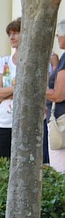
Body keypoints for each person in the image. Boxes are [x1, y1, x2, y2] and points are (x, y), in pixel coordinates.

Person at [0, 18, 21, 160]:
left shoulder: (36, 63)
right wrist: (18, 89)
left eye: (16, 32)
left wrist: (6, 93)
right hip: (2, 122)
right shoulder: (3, 61)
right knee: (1, 166)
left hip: (24, 124)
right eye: (9, 33)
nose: (12, 37)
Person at [47, 21, 65, 172]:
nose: (58, 38)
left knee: (59, 171)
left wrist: (35, 88)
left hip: (61, 123)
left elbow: (59, 95)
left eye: (59, 35)